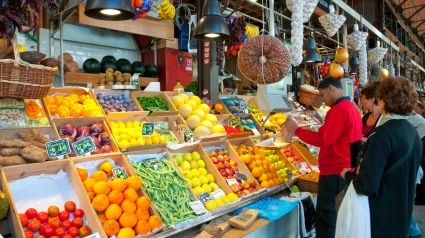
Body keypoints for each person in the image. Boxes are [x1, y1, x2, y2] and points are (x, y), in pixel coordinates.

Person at [341, 76, 422, 238]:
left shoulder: (382, 135)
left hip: (380, 217)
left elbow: (367, 185)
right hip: (401, 214)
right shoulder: (412, 131)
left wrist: (347, 175)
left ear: (384, 101)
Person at [283, 76, 362, 238]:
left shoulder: (338, 110)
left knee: (327, 221)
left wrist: (297, 130)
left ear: (332, 88)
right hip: (346, 170)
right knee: (338, 218)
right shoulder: (352, 108)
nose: (324, 100)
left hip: (334, 173)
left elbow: (324, 140)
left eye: (323, 95)